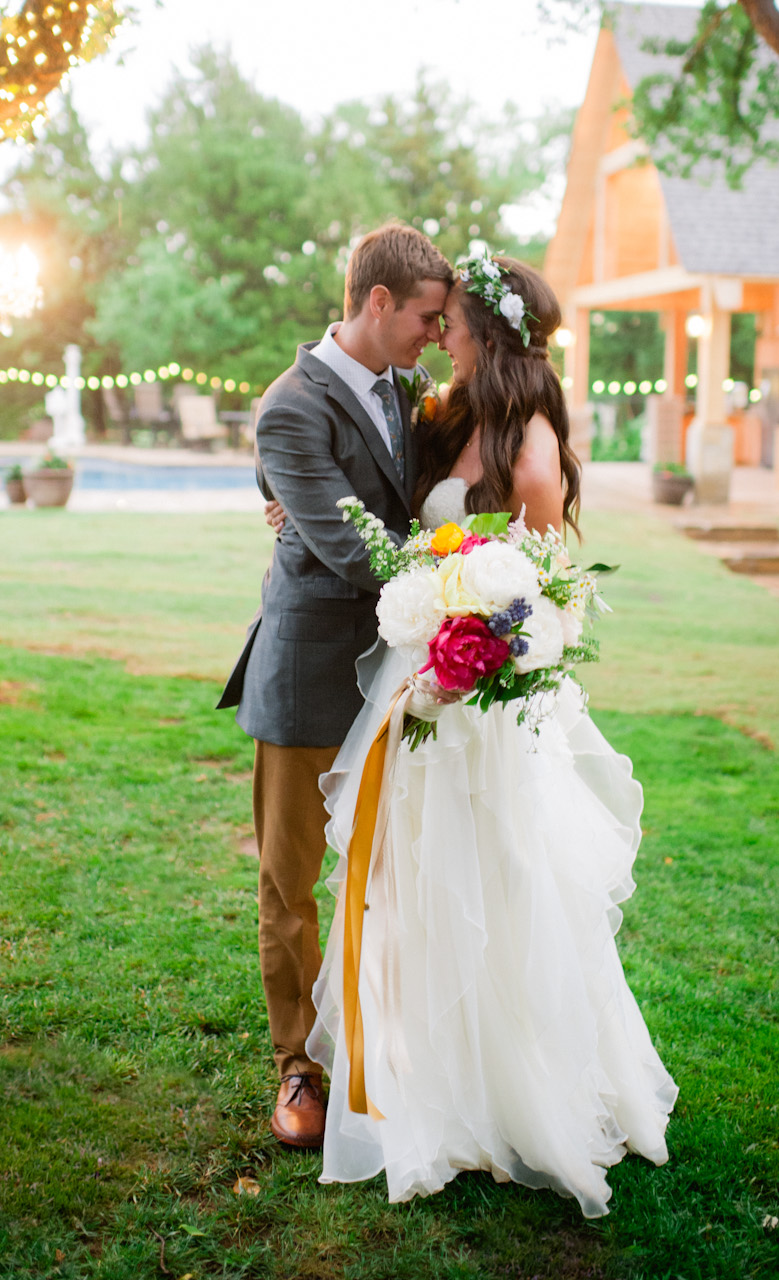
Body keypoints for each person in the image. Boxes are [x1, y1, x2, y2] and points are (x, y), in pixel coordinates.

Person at [305, 257, 678, 1217]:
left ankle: (512, 1095)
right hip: (419, 690)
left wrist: (486, 660)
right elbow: (395, 517)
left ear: (485, 333)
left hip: (494, 710)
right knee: (417, 884)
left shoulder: (532, 442)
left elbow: (554, 597)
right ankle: (427, 1075)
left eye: (453, 323)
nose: (440, 334)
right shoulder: (443, 418)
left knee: (499, 884)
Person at [217, 223, 454, 1151]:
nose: (437, 335)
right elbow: (352, 545)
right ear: (379, 301)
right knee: (295, 885)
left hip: (394, 678)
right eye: (427, 317)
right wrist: (461, 578)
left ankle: (374, 1045)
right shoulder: (289, 405)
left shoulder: (411, 392)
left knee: (385, 876)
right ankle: (298, 1071)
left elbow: (412, 497)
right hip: (311, 671)